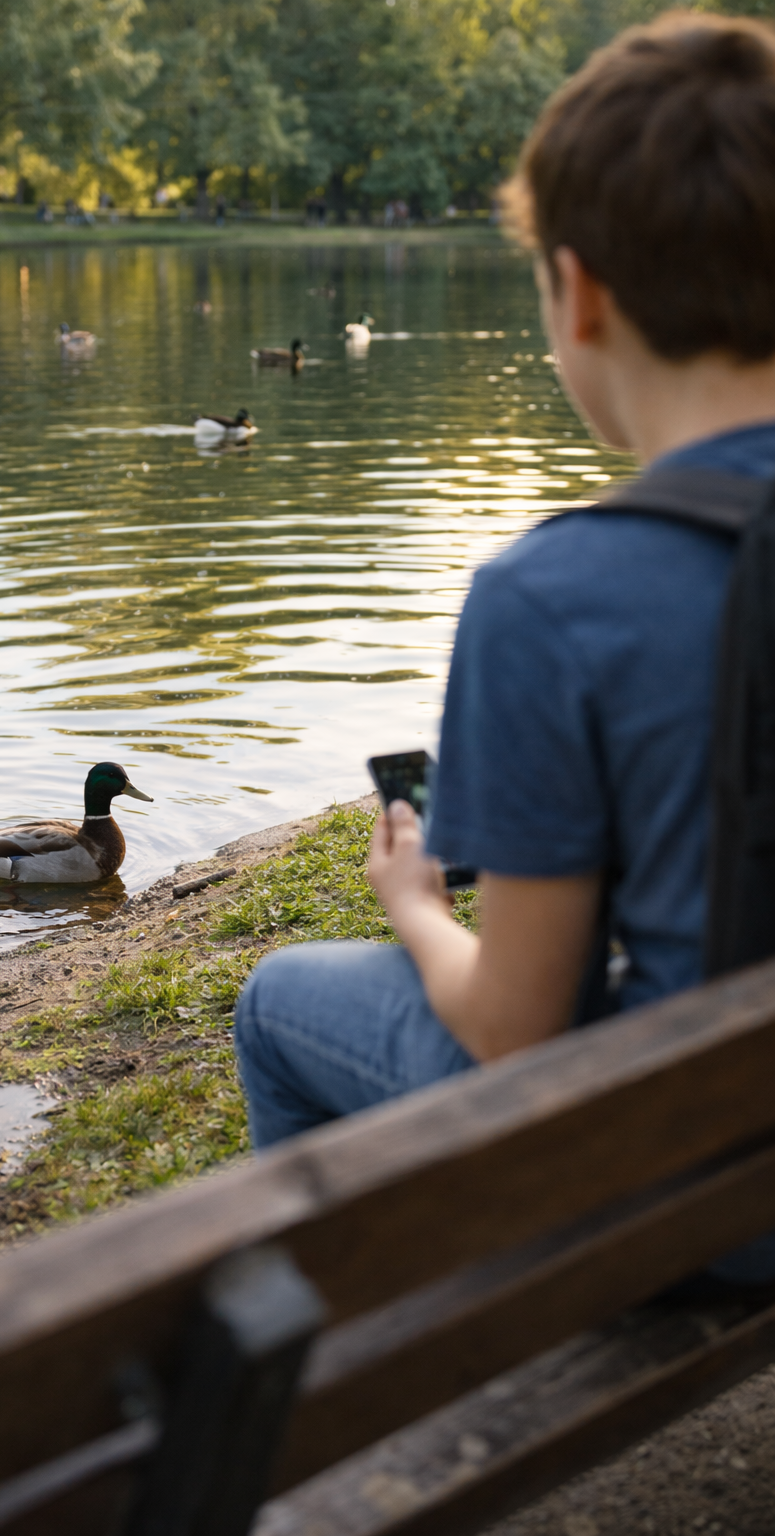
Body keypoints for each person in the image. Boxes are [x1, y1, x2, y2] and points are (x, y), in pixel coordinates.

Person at [234, 13, 775, 1282]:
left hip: (714, 1199)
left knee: (277, 1002)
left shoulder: (554, 596)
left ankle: (415, 1350)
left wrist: (415, 910)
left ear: (578, 295)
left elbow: (517, 1036)